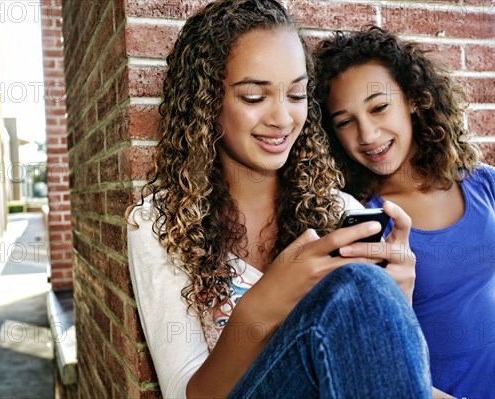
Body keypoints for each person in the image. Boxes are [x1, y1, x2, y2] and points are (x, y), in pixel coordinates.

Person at [126, 2, 433, 398]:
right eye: (254, 97)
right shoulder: (160, 223)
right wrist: (263, 305)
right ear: (207, 103)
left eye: (296, 94)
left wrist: (397, 296)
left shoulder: (342, 213)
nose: (283, 119)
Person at [314, 25, 495, 399]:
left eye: (379, 107)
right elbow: (379, 357)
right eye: (345, 122)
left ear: (414, 100)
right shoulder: (360, 219)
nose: (366, 134)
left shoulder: (487, 186)